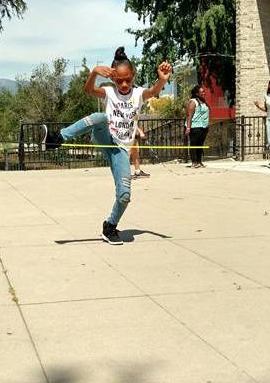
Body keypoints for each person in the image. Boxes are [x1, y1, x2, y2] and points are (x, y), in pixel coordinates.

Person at [43, 47, 172, 245]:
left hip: (121, 150)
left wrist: (162, 79)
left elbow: (154, 91)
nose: (124, 84)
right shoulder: (109, 92)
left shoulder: (138, 94)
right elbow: (88, 90)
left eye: (128, 79)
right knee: (99, 118)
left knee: (125, 196)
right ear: (112, 78)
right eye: (119, 80)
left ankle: (110, 226)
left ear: (133, 75)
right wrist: (94, 72)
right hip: (106, 137)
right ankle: (57, 138)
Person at [185, 85, 209, 168]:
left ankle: (199, 161)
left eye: (204, 91)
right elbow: (189, 115)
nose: (204, 93)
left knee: (200, 145)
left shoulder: (204, 101)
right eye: (202, 92)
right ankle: (194, 162)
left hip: (203, 127)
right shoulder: (193, 102)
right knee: (194, 144)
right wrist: (188, 127)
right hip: (195, 126)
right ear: (197, 93)